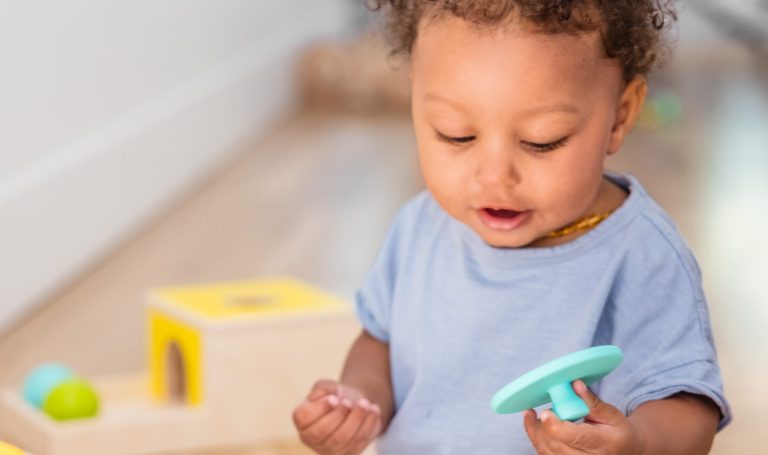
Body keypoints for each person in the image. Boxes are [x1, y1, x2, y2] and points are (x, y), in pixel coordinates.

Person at [292, 1, 732, 453]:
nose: (495, 176)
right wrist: (359, 402)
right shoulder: (419, 226)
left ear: (620, 116)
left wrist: (638, 443)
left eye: (542, 141)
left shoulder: (644, 255)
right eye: (455, 133)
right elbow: (380, 342)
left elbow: (688, 406)